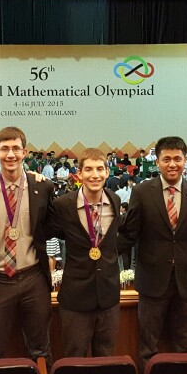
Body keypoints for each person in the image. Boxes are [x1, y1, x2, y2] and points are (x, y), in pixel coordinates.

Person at [119, 136, 187, 371]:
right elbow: (129, 234)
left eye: (177, 159)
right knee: (148, 346)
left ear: (185, 161)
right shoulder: (141, 192)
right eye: (166, 159)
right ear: (157, 162)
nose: (172, 164)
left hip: (186, 284)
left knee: (184, 346)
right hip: (151, 282)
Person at [0, 126, 55, 364]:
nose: (11, 154)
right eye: (4, 149)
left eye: (16, 148)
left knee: (41, 351)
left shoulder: (43, 187)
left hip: (33, 278)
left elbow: (53, 227)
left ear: (25, 152)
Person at [45, 148, 127, 357]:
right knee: (75, 358)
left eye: (100, 169)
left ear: (107, 172)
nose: (95, 175)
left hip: (108, 297)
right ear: (79, 174)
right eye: (88, 169)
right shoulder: (63, 205)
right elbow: (45, 231)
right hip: (76, 298)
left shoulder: (115, 201)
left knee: (106, 357)